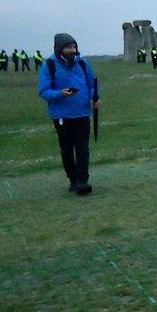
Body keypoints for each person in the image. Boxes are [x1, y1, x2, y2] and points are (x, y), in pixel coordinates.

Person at [38, 33, 100, 195]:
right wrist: (60, 93)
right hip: (61, 115)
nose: (72, 50)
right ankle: (73, 179)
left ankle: (82, 180)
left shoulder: (83, 63)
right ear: (60, 48)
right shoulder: (49, 65)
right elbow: (44, 91)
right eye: (68, 47)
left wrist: (95, 98)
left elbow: (92, 83)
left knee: (82, 148)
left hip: (82, 113)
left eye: (74, 47)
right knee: (66, 148)